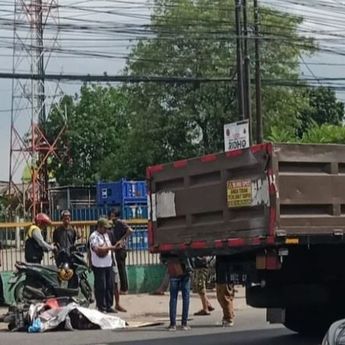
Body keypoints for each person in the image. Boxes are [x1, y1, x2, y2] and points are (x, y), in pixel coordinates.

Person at [89, 217, 118, 313]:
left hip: (108, 264)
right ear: (99, 227)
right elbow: (96, 249)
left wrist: (115, 247)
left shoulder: (106, 235)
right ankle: (101, 306)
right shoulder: (94, 236)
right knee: (101, 286)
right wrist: (110, 248)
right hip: (99, 265)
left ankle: (109, 305)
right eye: (104, 228)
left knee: (110, 286)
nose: (106, 230)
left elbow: (109, 246)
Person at [108, 209, 133, 295]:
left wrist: (122, 239)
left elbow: (130, 230)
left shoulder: (120, 222)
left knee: (121, 268)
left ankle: (124, 288)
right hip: (117, 248)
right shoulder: (114, 224)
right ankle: (123, 288)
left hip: (121, 248)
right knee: (120, 268)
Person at [166, 254, 193, 331]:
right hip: (186, 271)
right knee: (186, 298)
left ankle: (173, 324)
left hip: (174, 269)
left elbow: (163, 258)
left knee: (173, 298)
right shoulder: (186, 244)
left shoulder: (170, 245)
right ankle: (184, 324)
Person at [108, 229, 127, 312]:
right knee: (105, 285)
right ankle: (105, 305)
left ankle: (117, 304)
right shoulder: (96, 235)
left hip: (112, 262)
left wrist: (118, 245)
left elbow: (115, 245)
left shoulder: (110, 233)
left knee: (116, 283)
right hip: (101, 264)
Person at [215, 255, 235, 327]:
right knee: (227, 293)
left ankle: (228, 317)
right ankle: (229, 315)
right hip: (224, 264)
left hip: (223, 267)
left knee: (223, 295)